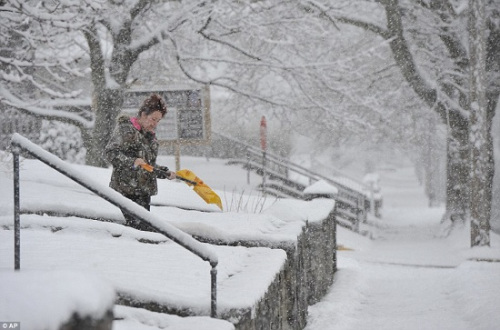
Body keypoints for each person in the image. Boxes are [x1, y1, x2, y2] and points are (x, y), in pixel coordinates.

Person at [105, 93, 176, 231]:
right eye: (153, 119)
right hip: (125, 191)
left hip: (143, 192)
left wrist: (163, 172)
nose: (155, 124)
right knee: (139, 230)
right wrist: (131, 161)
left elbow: (147, 164)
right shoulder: (126, 130)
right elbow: (110, 152)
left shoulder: (150, 137)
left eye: (158, 121)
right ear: (143, 114)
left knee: (144, 230)